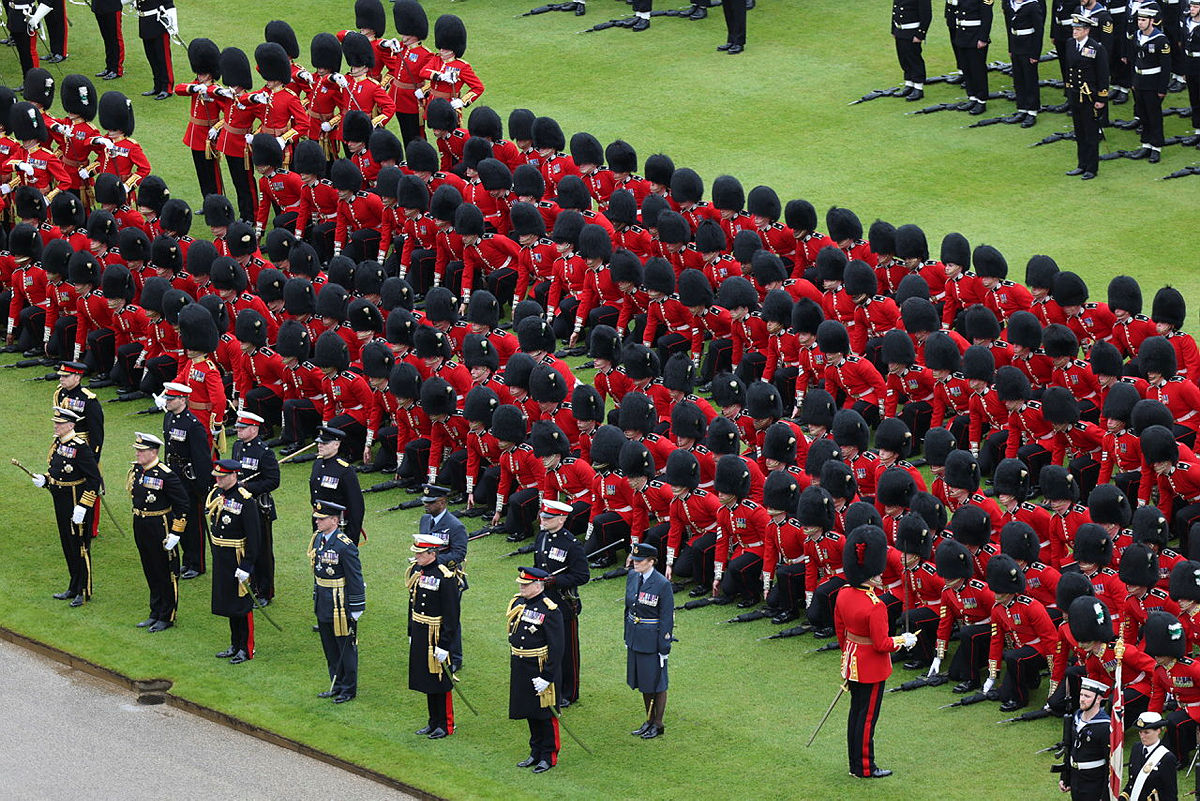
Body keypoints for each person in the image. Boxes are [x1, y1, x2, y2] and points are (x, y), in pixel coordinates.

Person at [835, 524, 916, 779]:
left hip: (851, 660)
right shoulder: (875, 605)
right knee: (867, 718)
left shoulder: (843, 593)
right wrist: (903, 640)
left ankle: (855, 764)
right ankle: (865, 767)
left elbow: (841, 630)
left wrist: (849, 653)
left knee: (855, 714)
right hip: (871, 667)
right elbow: (881, 644)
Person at [32, 407, 101, 607]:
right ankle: (73, 586)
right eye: (56, 422)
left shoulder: (81, 447)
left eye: (60, 423)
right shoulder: (58, 443)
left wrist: (84, 505)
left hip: (76, 501)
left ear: (71, 425)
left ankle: (84, 590)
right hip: (61, 500)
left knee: (80, 546)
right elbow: (58, 471)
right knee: (67, 544)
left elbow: (94, 480)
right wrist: (45, 479)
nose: (56, 426)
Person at [128, 432, 188, 632]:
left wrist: (176, 532)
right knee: (150, 569)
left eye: (141, 450)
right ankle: (155, 611)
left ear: (153, 452)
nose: (137, 453)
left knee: (165, 572)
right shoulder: (138, 470)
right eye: (137, 450)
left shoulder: (165, 474)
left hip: (160, 526)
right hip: (141, 524)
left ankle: (167, 615)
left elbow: (183, 504)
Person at [507, 566, 564, 774]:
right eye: (521, 584)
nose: (521, 588)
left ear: (538, 586)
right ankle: (535, 751)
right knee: (530, 710)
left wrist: (547, 676)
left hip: (540, 667)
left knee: (545, 714)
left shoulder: (550, 610)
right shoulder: (519, 603)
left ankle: (548, 755)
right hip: (522, 665)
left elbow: (557, 647)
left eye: (526, 585)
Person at [534, 499, 589, 707]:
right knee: (545, 644)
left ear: (561, 519)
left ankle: (569, 692)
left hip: (564, 604)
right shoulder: (541, 537)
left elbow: (582, 576)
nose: (543, 520)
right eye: (543, 516)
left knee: (567, 650)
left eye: (548, 518)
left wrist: (555, 581)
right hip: (543, 600)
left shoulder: (571, 544)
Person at [206, 459, 260, 665]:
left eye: (222, 477)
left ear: (233, 476)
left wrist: (247, 565)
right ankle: (235, 643)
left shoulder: (246, 500)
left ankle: (246, 648)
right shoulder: (218, 495)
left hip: (238, 556)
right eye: (217, 477)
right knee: (229, 602)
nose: (218, 480)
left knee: (242, 605)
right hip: (222, 556)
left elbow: (254, 537)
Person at [311, 500, 365, 704]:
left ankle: (348, 688)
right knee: (330, 647)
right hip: (323, 600)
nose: (317, 521)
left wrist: (357, 606)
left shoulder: (345, 545)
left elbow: (355, 577)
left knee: (344, 647)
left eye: (321, 519)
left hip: (340, 603)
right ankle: (336, 683)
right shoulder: (318, 539)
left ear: (334, 520)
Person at [407, 530, 458, 737]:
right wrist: (411, 631)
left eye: (420, 554)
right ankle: (433, 721)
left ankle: (445, 724)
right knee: (427, 678)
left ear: (432, 554)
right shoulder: (417, 572)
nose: (416, 557)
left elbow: (452, 615)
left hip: (436, 634)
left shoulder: (445, 577)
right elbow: (412, 603)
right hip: (421, 631)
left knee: (440, 679)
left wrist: (445, 645)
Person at [161, 381, 213, 579]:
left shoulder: (193, 425)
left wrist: (203, 487)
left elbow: (202, 458)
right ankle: (187, 559)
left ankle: (197, 564)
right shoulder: (168, 418)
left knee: (193, 522)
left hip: (189, 479)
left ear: (182, 400)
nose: (167, 402)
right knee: (178, 518)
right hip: (173, 475)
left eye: (171, 399)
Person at [625, 541, 674, 739]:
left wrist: (664, 646)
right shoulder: (632, 576)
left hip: (652, 640)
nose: (635, 563)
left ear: (651, 561)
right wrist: (627, 635)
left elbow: (667, 617)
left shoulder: (662, 584)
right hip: (635, 637)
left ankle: (658, 723)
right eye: (634, 559)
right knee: (644, 682)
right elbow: (628, 608)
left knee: (657, 683)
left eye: (640, 560)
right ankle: (649, 719)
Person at [231, 411, 280, 606]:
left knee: (262, 552)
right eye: (238, 427)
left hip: (259, 507)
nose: (238, 430)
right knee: (244, 546)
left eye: (242, 428)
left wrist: (247, 486)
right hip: (240, 506)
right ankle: (249, 583)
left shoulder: (264, 452)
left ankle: (264, 591)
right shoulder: (237, 446)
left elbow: (273, 481)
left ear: (254, 429)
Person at [418, 483, 468, 671]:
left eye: (431, 502)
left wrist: (433, 560)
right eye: (426, 502)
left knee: (450, 616)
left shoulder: (455, 526)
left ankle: (455, 658)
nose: (426, 505)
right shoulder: (425, 520)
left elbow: (459, 554)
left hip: (449, 579)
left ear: (442, 502)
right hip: (428, 577)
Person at [1065, 13, 1110, 180]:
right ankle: (1081, 164)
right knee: (1079, 133)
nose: (1074, 32)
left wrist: (1101, 99)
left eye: (1078, 29)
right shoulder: (1070, 44)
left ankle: (1091, 168)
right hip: (1075, 95)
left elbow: (1103, 75)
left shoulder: (1096, 48)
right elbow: (1068, 69)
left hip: (1089, 97)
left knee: (1091, 134)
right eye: (1074, 29)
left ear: (1086, 30)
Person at [1126, 3, 1172, 164]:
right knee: (1143, 114)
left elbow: (1166, 67)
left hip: (1153, 83)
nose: (1140, 23)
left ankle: (1156, 147)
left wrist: (1162, 89)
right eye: (1139, 20)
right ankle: (1145, 144)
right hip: (1139, 81)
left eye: (1144, 20)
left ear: (1152, 21)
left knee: (1154, 116)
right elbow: (1134, 59)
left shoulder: (1161, 40)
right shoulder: (1137, 36)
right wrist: (1133, 81)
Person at [1055, 677, 1112, 799]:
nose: (1082, 699)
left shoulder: (1105, 726)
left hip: (1093, 781)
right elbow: (1069, 746)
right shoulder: (1077, 716)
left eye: (1087, 696)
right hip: (1076, 777)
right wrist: (1065, 777)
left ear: (1098, 699)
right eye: (1081, 695)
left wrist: (1105, 795)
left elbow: (1110, 764)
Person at [308, 425, 365, 545]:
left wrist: (352, 538)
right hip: (319, 520)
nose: (320, 446)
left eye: (325, 443)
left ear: (336, 445)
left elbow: (356, 506)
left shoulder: (344, 470)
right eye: (319, 443)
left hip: (337, 525)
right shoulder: (317, 464)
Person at [1121, 711, 1178, 801]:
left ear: (1158, 731)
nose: (1142, 736)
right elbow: (1132, 782)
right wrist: (1122, 797)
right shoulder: (1136, 748)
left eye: (1146, 732)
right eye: (1140, 732)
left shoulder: (1167, 758)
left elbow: (1170, 794)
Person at [892, 0, 932, 100]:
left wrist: (920, 34)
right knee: (903, 58)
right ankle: (909, 84)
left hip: (912, 31)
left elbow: (926, 14)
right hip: (900, 30)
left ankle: (918, 87)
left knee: (914, 59)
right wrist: (893, 29)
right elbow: (895, 8)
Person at [136, 0, 175, 100]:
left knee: (163, 58)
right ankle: (158, 86)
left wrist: (173, 24)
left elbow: (169, 3)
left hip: (159, 23)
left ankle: (167, 87)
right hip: (145, 21)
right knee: (151, 57)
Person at [91, 0, 125, 80]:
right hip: (98, 6)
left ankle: (117, 69)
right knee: (107, 39)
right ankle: (109, 67)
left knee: (115, 39)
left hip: (112, 6)